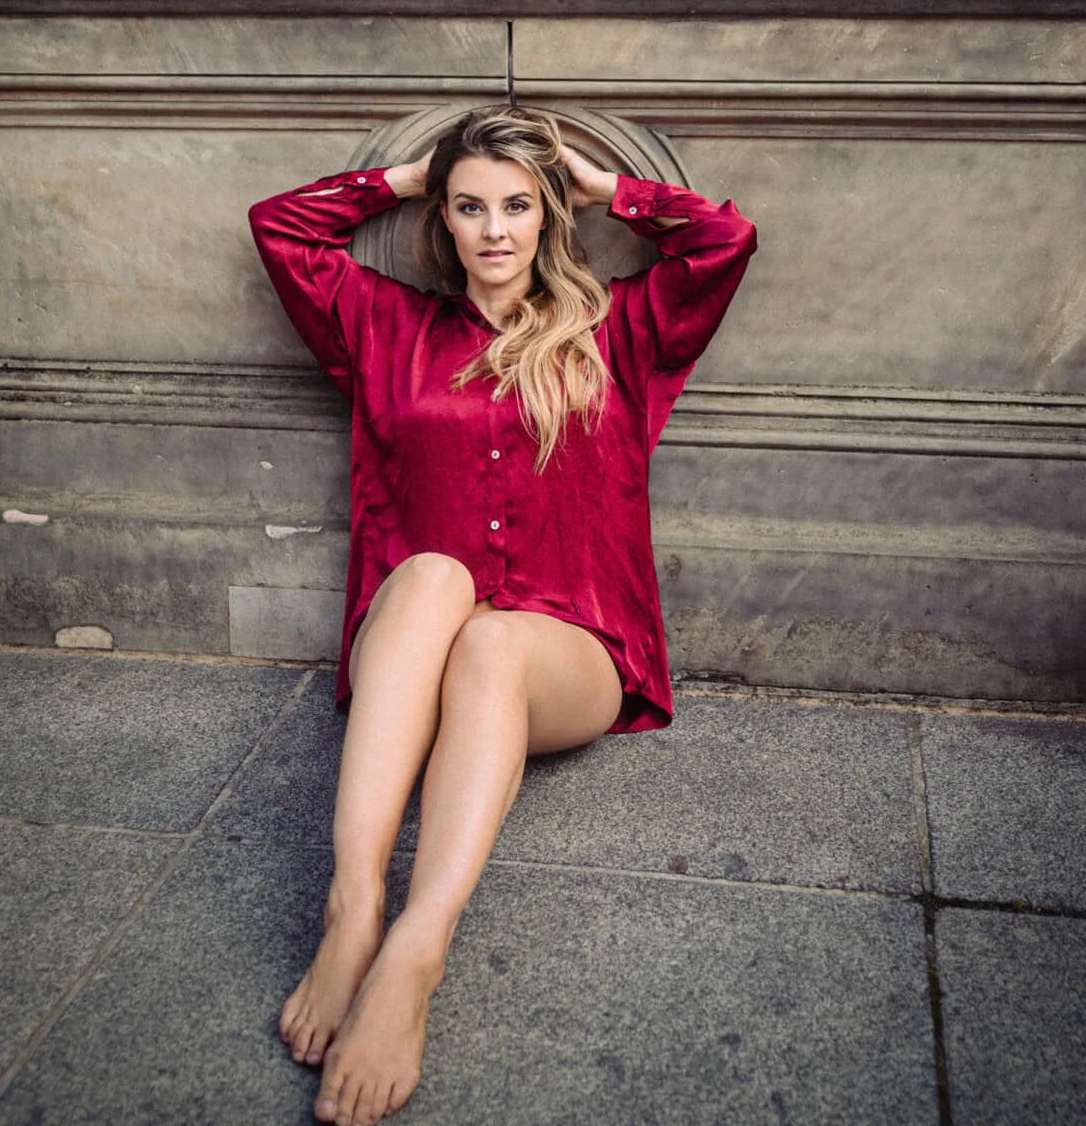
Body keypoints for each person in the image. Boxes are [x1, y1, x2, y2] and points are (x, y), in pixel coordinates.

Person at [248, 104, 757, 1126]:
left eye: (518, 205)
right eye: (469, 205)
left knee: (490, 634)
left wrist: (603, 183)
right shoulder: (382, 322)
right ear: (443, 218)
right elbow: (280, 226)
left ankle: (417, 945)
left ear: (547, 216)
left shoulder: (621, 325)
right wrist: (405, 177)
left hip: (567, 652)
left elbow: (723, 239)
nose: (493, 229)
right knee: (438, 578)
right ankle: (355, 903)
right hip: (413, 640)